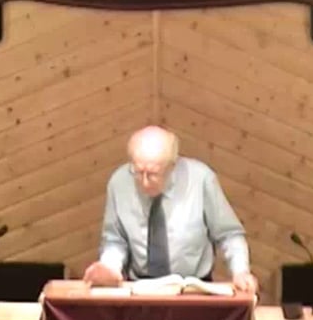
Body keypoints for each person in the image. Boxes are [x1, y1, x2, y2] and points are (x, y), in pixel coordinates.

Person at [83, 125, 258, 293]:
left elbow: (229, 234)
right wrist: (110, 268)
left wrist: (240, 272)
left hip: (193, 288)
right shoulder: (119, 182)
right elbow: (115, 239)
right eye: (138, 172)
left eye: (153, 174)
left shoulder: (200, 179)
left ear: (172, 166)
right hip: (140, 287)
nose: (144, 182)